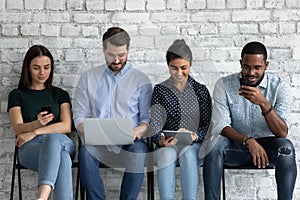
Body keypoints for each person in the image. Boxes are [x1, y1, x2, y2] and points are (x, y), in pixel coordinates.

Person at [202, 41, 297, 200]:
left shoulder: (280, 87)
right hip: (236, 146)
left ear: (266, 65)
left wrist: (263, 103)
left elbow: (282, 132)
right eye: (246, 67)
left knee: (286, 149)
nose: (251, 72)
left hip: (268, 149)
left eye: (257, 68)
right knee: (214, 145)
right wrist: (248, 140)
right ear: (241, 63)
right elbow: (221, 125)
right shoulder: (224, 85)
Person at [73, 27, 152, 200]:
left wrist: (136, 131)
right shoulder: (88, 78)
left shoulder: (141, 80)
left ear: (128, 50)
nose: (116, 60)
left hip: (130, 143)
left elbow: (147, 119)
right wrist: (92, 130)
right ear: (103, 49)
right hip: (98, 143)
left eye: (121, 55)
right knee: (86, 154)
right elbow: (78, 115)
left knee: (139, 154)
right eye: (111, 55)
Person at [7, 45, 75, 200]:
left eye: (47, 67)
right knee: (63, 158)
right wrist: (36, 123)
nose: (42, 72)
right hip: (30, 148)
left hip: (61, 141)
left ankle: (42, 198)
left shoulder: (60, 94)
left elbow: (66, 126)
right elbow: (18, 128)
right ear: (28, 68)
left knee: (53, 139)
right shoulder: (17, 95)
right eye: (36, 68)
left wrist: (35, 131)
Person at [150, 39, 212, 200]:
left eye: (183, 68)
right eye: (174, 68)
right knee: (166, 155)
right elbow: (155, 122)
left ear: (190, 65)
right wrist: (160, 139)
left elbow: (206, 124)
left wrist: (195, 135)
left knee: (187, 153)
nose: (179, 73)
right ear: (168, 66)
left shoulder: (201, 91)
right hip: (167, 143)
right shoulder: (160, 90)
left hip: (193, 145)